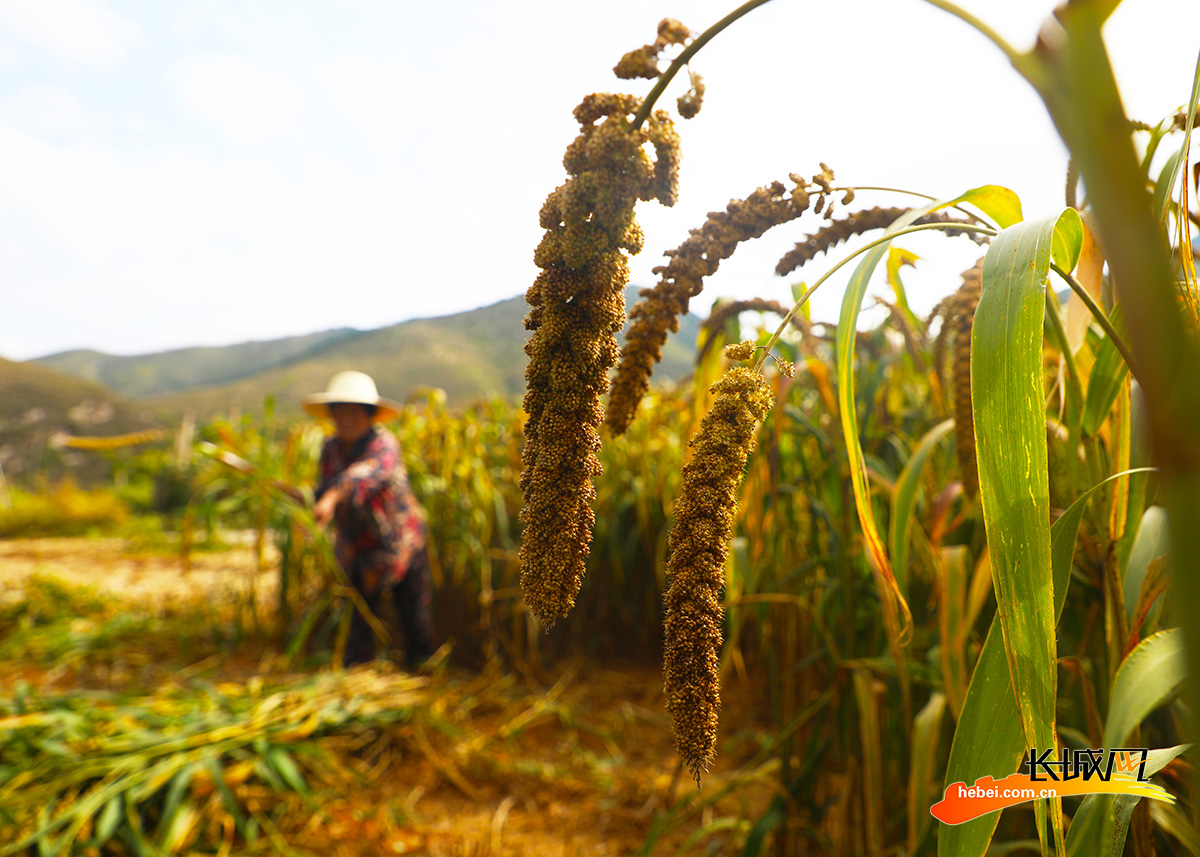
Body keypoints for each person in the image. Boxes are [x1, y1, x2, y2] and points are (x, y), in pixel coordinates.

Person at [302, 371, 435, 668]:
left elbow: (364, 475)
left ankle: (423, 673)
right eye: (340, 412)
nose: (346, 418)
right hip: (355, 549)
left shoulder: (384, 444)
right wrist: (302, 497)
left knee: (414, 616)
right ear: (332, 415)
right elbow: (323, 490)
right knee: (358, 619)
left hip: (400, 544)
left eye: (354, 412)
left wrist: (331, 497)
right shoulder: (330, 448)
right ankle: (358, 674)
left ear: (370, 414)